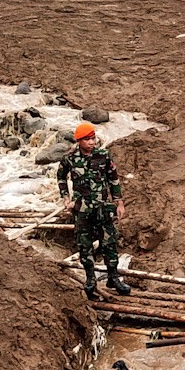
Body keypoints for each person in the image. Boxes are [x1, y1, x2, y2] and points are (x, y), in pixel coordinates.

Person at [57, 122, 129, 299]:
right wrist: (66, 198)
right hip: (82, 209)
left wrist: (119, 203)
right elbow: (61, 177)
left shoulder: (103, 155)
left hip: (103, 207)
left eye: (93, 138)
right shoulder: (69, 158)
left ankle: (113, 277)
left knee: (109, 243)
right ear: (79, 141)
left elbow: (113, 179)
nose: (92, 142)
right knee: (85, 244)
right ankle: (90, 279)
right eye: (87, 139)